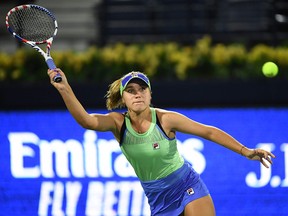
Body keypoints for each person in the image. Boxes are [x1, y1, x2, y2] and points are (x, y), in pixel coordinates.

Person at [48, 69, 275, 216]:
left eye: (142, 89)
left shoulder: (166, 119)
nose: (138, 94)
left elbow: (209, 132)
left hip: (187, 184)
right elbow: (87, 121)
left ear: (150, 94)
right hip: (157, 197)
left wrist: (246, 151)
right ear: (123, 98)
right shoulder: (118, 123)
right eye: (131, 91)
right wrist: (64, 89)